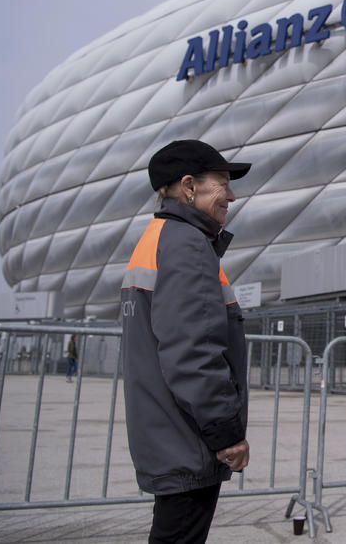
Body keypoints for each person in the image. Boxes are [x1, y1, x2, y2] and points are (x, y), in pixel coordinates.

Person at [120, 139, 252, 543]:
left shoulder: (158, 237)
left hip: (167, 433)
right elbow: (192, 353)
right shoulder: (188, 245)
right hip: (188, 441)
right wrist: (226, 434)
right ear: (189, 186)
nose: (230, 195)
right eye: (222, 184)